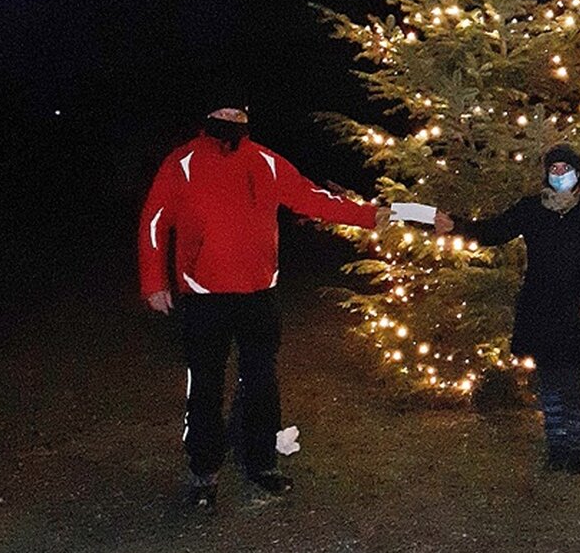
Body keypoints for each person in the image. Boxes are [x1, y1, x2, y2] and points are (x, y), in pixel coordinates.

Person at [139, 103, 451, 507]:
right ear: (209, 116)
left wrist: (396, 215)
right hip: (204, 296)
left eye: (239, 114)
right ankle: (204, 472)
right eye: (224, 113)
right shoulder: (180, 163)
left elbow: (316, 200)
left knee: (261, 382)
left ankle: (262, 463)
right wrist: (153, 283)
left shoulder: (266, 162)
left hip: (259, 295)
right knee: (204, 385)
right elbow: (154, 221)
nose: (232, 121)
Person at [453, 143, 580, 474]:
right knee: (548, 386)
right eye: (553, 169)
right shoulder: (532, 209)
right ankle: (557, 452)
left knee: (572, 384)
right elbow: (492, 230)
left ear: (578, 174)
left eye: (564, 169)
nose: (558, 174)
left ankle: (577, 454)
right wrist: (455, 225)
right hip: (541, 308)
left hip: (577, 311)